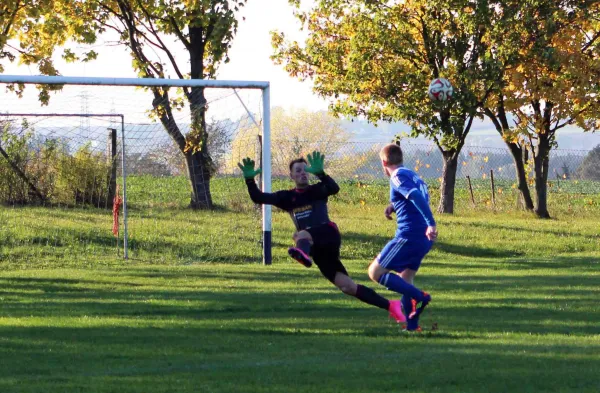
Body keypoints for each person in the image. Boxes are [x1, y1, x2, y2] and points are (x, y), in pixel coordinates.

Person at [238, 151, 406, 323]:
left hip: (328, 234)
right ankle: (391, 306)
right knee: (347, 286)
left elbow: (334, 188)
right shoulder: (286, 197)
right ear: (291, 176)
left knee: (301, 235)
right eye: (298, 171)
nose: (302, 173)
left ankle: (302, 254)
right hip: (316, 248)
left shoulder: (317, 189)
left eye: (305, 170)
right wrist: (249, 180)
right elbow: (258, 197)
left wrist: (321, 173)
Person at [367, 143, 438, 332]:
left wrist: (431, 222)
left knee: (375, 273)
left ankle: (421, 297)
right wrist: (394, 205)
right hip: (423, 239)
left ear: (383, 161)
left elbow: (414, 196)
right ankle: (412, 326)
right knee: (405, 280)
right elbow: (412, 196)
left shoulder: (397, 176)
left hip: (409, 235)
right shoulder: (413, 175)